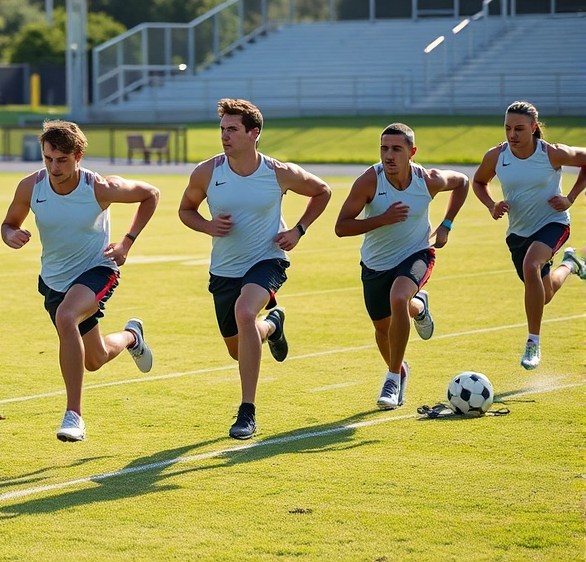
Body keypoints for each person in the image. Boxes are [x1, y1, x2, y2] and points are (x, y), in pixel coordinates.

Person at [178, 98, 331, 440]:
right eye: (222, 129)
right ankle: (272, 326)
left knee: (245, 312)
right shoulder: (207, 172)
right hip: (224, 269)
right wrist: (208, 226)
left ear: (254, 133)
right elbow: (186, 210)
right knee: (239, 348)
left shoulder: (278, 172)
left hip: (268, 259)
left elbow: (322, 192)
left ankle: (247, 411)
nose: (225, 136)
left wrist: (299, 230)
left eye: (232, 129)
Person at [0, 120, 160, 442]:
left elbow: (150, 194)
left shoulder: (99, 187)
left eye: (62, 160)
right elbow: (8, 223)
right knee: (95, 359)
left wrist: (126, 242)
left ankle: (74, 416)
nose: (54, 168)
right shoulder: (31, 187)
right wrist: (10, 235)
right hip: (54, 281)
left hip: (97, 270)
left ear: (78, 156)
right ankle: (132, 337)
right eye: (48, 159)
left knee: (66, 316)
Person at [334, 123, 470, 409]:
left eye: (397, 149)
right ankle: (418, 310)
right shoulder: (369, 181)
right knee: (383, 329)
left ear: (412, 152)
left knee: (398, 298)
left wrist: (446, 224)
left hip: (417, 254)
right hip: (375, 264)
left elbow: (462, 183)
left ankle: (392, 378)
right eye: (384, 148)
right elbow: (341, 227)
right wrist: (382, 219)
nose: (389, 155)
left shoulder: (428, 180)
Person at [472, 101, 586, 370]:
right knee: (544, 295)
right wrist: (491, 205)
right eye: (507, 128)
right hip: (518, 233)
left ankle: (533, 342)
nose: (512, 134)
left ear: (534, 128)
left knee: (531, 264)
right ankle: (571, 264)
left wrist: (570, 197)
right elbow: (478, 181)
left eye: (519, 129)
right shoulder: (496, 156)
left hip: (553, 223)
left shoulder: (551, 153)